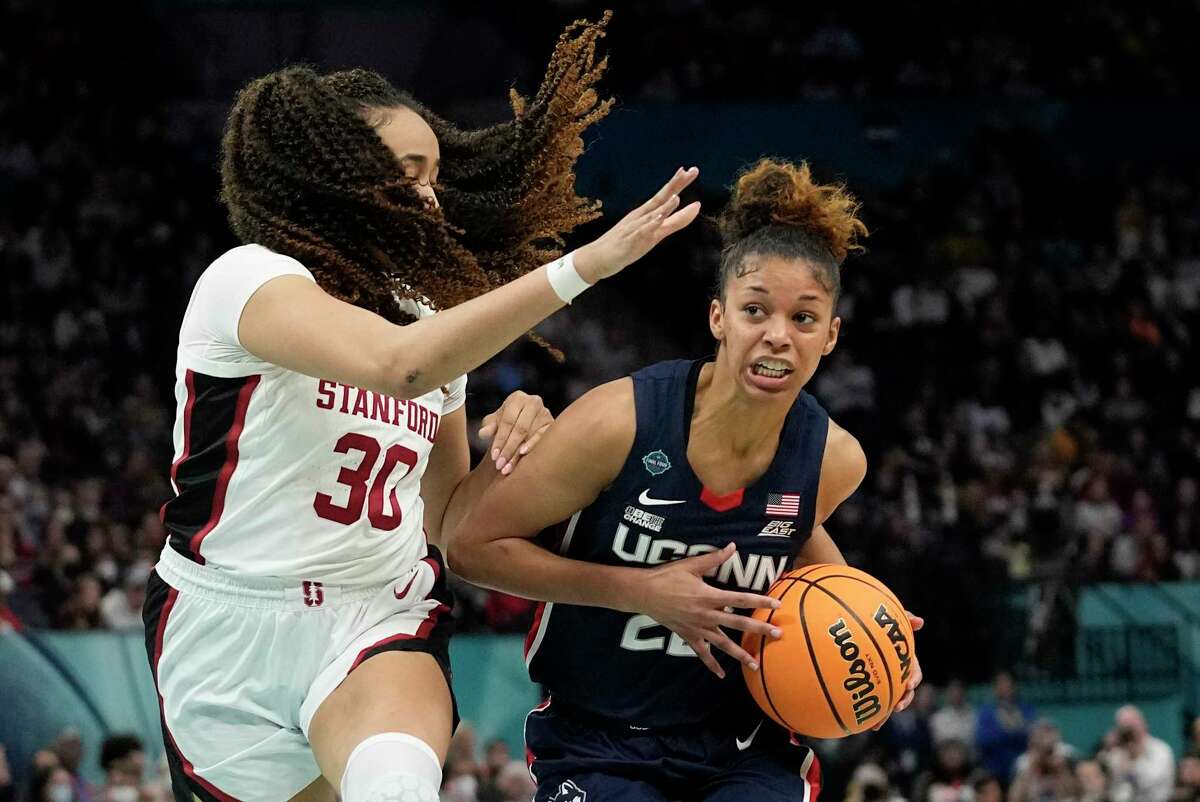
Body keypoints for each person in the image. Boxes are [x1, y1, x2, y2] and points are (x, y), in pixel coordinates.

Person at [143, 14, 703, 802]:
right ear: (329, 172)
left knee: (397, 785)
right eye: (408, 170)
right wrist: (586, 266)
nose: (430, 195)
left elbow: (449, 525)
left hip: (376, 616)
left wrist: (530, 442)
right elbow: (396, 366)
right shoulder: (248, 280)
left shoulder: (425, 318)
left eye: (434, 173)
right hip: (222, 626)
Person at [448, 158, 923, 801]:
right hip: (600, 739)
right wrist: (641, 591)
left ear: (831, 336)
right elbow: (473, 550)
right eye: (755, 310)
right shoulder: (617, 422)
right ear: (718, 318)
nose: (778, 336)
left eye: (804, 319)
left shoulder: (835, 460)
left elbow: (791, 535)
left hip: (742, 744)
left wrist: (875, 622)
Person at [1101, 705, 1175, 802]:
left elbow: (1149, 782)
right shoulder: (1117, 752)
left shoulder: (1160, 749)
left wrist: (1135, 758)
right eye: (1123, 726)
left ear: (1143, 723)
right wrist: (1107, 748)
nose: (1128, 731)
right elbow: (1106, 781)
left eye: (1131, 725)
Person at [976, 671, 1035, 784]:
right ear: (995, 688)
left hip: (1022, 770)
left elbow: (1031, 736)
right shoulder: (986, 712)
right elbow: (984, 740)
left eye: (1008, 683)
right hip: (996, 770)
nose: (1005, 687)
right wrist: (1014, 732)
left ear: (1015, 686)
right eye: (1001, 684)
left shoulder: (1026, 709)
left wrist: (1003, 732)